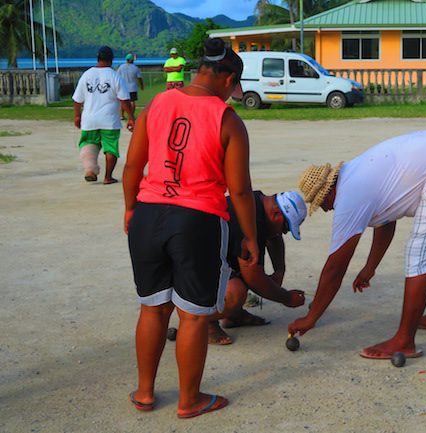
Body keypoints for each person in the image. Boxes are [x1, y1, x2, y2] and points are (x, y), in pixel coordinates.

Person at [123, 37, 255, 419]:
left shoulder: (157, 103)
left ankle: (145, 392)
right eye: (235, 87)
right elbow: (241, 190)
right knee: (193, 316)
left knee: (152, 309)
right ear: (228, 78)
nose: (233, 94)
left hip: (148, 214)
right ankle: (189, 400)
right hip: (197, 220)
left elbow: (133, 167)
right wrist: (247, 236)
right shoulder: (227, 119)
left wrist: (131, 208)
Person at [288, 130, 426, 360]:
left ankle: (404, 342)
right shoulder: (357, 174)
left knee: (419, 256)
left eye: (322, 203)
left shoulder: (349, 195)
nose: (325, 209)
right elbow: (386, 220)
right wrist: (370, 267)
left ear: (329, 192)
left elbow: (336, 267)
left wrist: (311, 317)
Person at [207, 190, 308, 345]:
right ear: (275, 213)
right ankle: (204, 320)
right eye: (286, 227)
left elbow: (274, 237)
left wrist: (279, 271)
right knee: (236, 292)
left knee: (247, 267)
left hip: (217, 256)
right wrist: (286, 298)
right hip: (195, 262)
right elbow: (254, 278)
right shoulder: (250, 218)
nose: (284, 232)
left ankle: (233, 314)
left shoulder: (260, 205)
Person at [73, 45, 135, 184]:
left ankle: (90, 168)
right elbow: (124, 100)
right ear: (111, 60)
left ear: (98, 58)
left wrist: (77, 116)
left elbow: (77, 100)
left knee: (89, 143)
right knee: (110, 148)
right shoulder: (115, 76)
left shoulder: (86, 75)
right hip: (109, 120)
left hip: (89, 119)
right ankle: (108, 177)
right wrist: (131, 118)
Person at [117, 53, 144, 119]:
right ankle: (131, 115)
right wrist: (141, 85)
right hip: (133, 87)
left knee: (123, 101)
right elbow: (139, 78)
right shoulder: (135, 68)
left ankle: (121, 115)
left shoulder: (121, 67)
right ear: (132, 60)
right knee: (132, 102)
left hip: (124, 87)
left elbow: (117, 76)